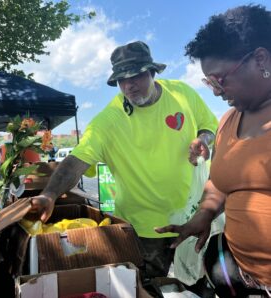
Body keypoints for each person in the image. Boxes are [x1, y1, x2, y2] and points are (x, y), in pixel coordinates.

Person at [29, 41, 218, 279]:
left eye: (136, 76)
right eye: (121, 80)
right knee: (149, 287)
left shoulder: (182, 93)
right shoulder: (108, 120)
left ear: (152, 72)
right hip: (144, 229)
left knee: (199, 285)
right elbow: (78, 159)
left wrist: (203, 139)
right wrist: (50, 194)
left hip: (193, 217)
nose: (129, 85)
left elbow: (209, 125)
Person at [156, 5, 271, 298]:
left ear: (260, 59)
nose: (217, 91)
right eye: (210, 83)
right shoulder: (228, 121)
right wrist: (204, 214)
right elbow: (220, 182)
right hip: (240, 279)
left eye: (220, 79)